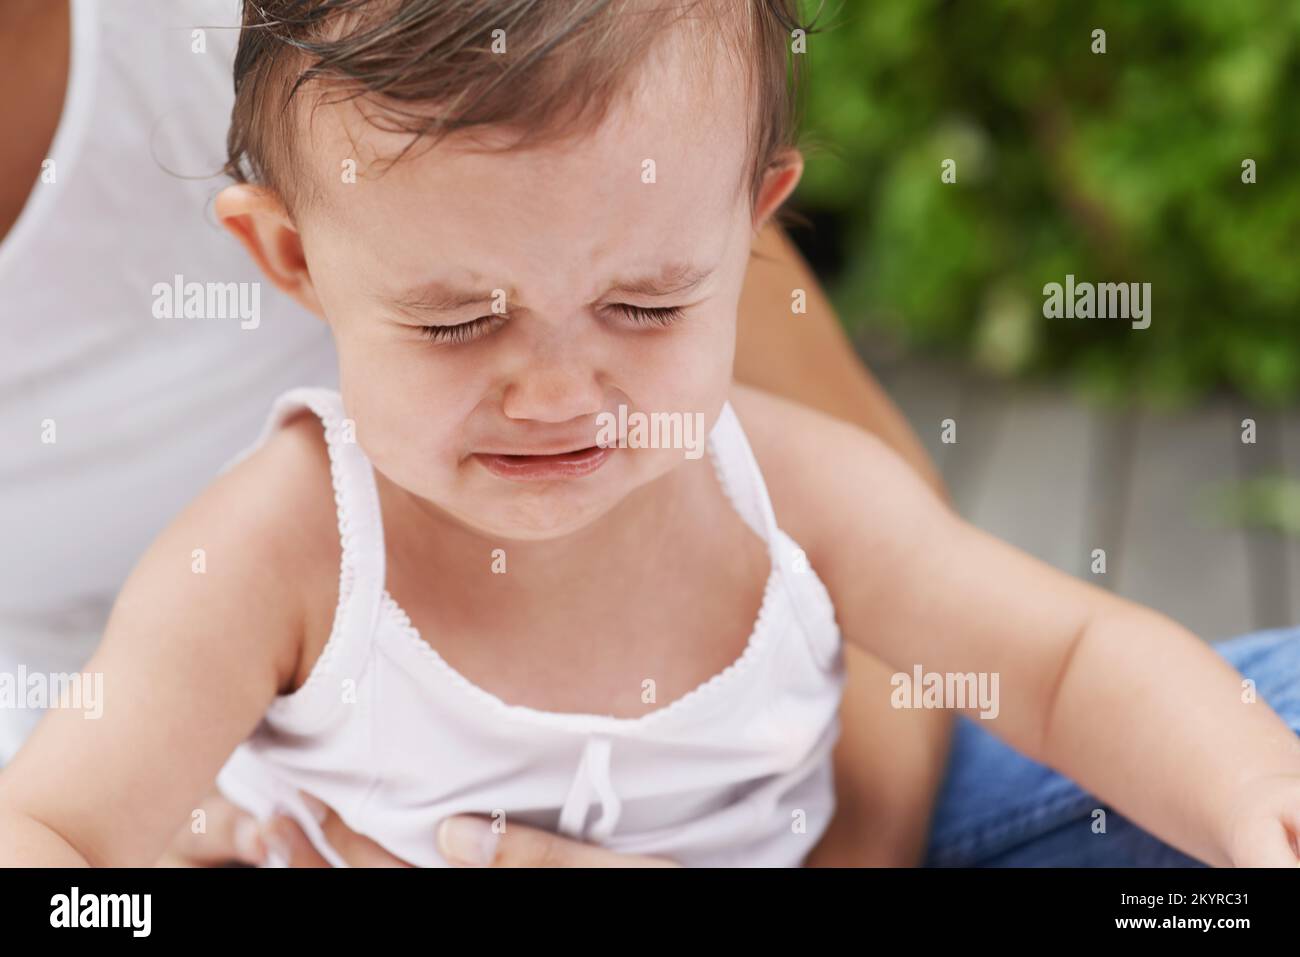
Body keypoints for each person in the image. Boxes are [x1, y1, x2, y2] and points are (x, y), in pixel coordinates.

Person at [5, 0, 1300, 868]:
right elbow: (55, 829)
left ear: (753, 225)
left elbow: (1066, 663)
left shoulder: (777, 479)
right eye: (460, 323)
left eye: (644, 305)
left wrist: (1251, 797)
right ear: (289, 258)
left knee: (1264, 706)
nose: (559, 393)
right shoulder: (282, 544)